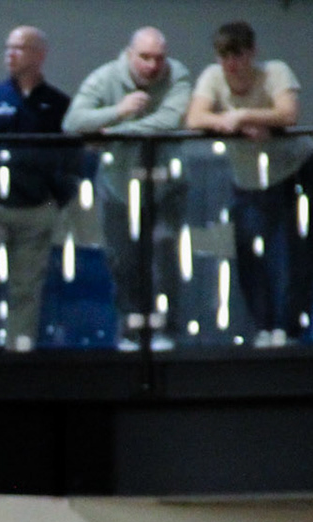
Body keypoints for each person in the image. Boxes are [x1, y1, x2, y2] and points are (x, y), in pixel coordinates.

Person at [184, 22, 313, 347]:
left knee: (299, 253)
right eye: (224, 56)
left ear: (252, 52)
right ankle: (264, 326)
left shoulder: (276, 72)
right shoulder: (212, 77)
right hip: (249, 179)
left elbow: (288, 113)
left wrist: (244, 115)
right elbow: (195, 118)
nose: (231, 63)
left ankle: (290, 329)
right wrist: (231, 123)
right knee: (249, 252)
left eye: (238, 55)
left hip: (296, 171)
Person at [63, 28, 193, 351]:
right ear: (129, 54)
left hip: (167, 186)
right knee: (123, 261)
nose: (153, 65)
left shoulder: (177, 75)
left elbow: (169, 120)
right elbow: (72, 122)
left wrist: (114, 132)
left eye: (159, 58)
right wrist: (118, 111)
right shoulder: (104, 78)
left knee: (164, 256)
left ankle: (166, 330)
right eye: (145, 58)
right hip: (118, 187)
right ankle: (131, 331)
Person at [0, 26, 75, 352]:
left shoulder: (58, 104)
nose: (11, 54)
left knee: (27, 288)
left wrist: (58, 196)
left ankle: (18, 355)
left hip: (37, 208)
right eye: (8, 47)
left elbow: (72, 156)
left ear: (39, 54)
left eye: (20, 48)